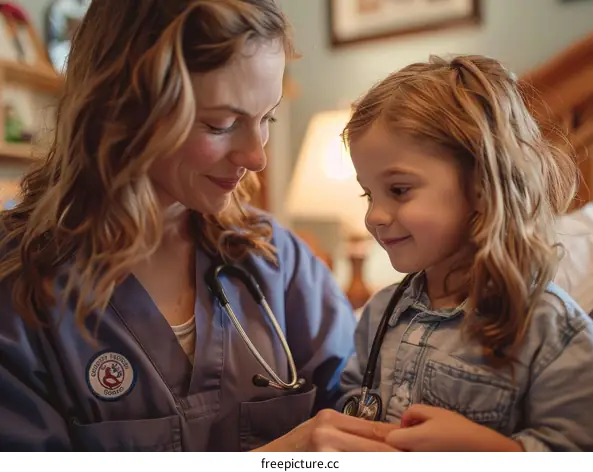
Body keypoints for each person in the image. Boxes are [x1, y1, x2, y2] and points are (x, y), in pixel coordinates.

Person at [0, 0, 400, 452]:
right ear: (122, 110)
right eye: (221, 124)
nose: (257, 157)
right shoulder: (19, 287)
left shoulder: (277, 263)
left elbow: (363, 414)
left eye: (266, 118)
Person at [338, 54, 593, 451]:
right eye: (368, 193)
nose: (374, 215)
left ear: (480, 185)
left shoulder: (552, 332)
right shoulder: (380, 314)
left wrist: (486, 451)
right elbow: (350, 405)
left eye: (399, 190)